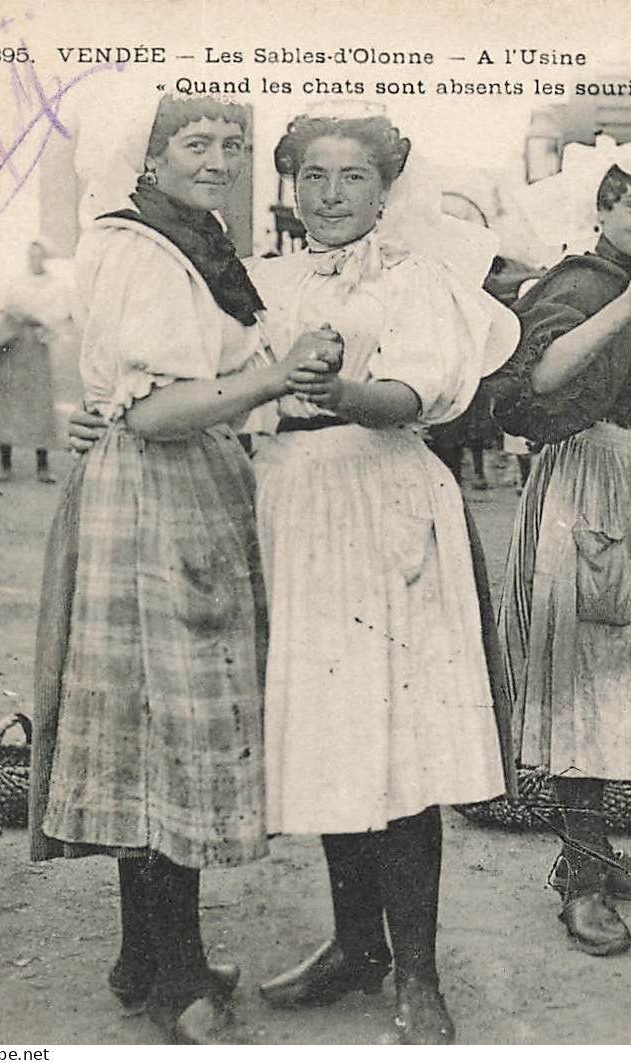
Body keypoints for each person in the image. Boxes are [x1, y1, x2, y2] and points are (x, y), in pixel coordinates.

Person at [29, 91, 333, 1044]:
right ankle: (174, 982)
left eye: (232, 145)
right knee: (167, 737)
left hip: (182, 484)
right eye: (195, 143)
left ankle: (147, 955)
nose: (218, 158)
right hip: (159, 493)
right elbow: (155, 410)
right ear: (148, 158)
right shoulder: (140, 246)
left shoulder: (189, 242)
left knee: (152, 733)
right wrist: (277, 380)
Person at [243, 105, 519, 1045]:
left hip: (381, 498)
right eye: (312, 177)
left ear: (384, 187)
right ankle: (355, 944)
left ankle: (420, 974)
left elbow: (413, 393)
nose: (329, 196)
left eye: (351, 178)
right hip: (294, 504)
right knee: (333, 735)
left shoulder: (418, 280)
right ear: (291, 185)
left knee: (401, 744)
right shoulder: (260, 280)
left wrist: (333, 389)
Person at [489, 131, 631, 957]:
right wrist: (628, 307)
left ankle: (598, 848)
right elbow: (533, 381)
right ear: (598, 210)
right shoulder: (579, 283)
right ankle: (582, 870)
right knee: (585, 674)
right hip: (592, 484)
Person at [0, 239, 72, 483]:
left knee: (38, 403)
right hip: (10, 345)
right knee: (6, 402)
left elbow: (59, 315)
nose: (34, 260)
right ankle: (5, 465)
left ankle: (43, 467)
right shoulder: (14, 280)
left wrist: (41, 321)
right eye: (31, 256)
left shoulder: (56, 286)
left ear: (46, 259)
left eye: (39, 256)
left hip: (36, 346)